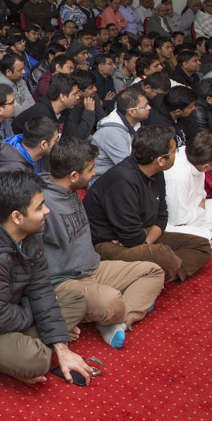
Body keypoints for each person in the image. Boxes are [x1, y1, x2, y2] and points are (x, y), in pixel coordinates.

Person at [0, 171, 92, 384]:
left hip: (11, 307)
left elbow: (41, 287)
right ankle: (32, 345)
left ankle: (37, 341)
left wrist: (61, 347)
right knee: (35, 360)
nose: (47, 211)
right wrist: (39, 314)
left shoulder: (29, 230)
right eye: (40, 207)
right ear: (17, 217)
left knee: (76, 301)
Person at [43, 138, 164, 348]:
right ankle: (120, 311)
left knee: (153, 271)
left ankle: (117, 322)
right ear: (73, 176)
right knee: (111, 300)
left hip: (94, 268)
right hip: (64, 282)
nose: (95, 173)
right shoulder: (42, 204)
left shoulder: (69, 190)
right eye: (90, 169)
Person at [84, 126, 212, 283]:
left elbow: (162, 215)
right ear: (160, 160)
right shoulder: (123, 181)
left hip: (142, 237)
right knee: (163, 256)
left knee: (201, 244)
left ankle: (159, 274)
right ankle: (158, 272)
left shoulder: (156, 173)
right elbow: (131, 239)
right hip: (107, 244)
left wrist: (146, 240)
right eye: (174, 152)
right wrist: (146, 237)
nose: (177, 155)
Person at [163, 132, 212, 240]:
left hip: (192, 213)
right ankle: (203, 234)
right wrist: (200, 211)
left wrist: (198, 210)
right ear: (206, 167)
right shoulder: (179, 176)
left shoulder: (195, 160)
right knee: (202, 235)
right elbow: (177, 219)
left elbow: (201, 197)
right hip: (172, 223)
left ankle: (202, 234)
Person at [0, 116, 59, 191]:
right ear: (43, 144)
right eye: (55, 141)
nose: (58, 144)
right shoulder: (12, 170)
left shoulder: (43, 155)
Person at [91, 87, 150, 180]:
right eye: (145, 106)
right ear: (131, 112)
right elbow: (127, 166)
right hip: (102, 179)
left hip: (119, 175)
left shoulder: (135, 124)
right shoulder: (112, 132)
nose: (149, 108)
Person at [11, 73, 80, 136]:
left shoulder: (65, 111)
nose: (78, 97)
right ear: (62, 97)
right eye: (74, 94)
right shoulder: (40, 113)